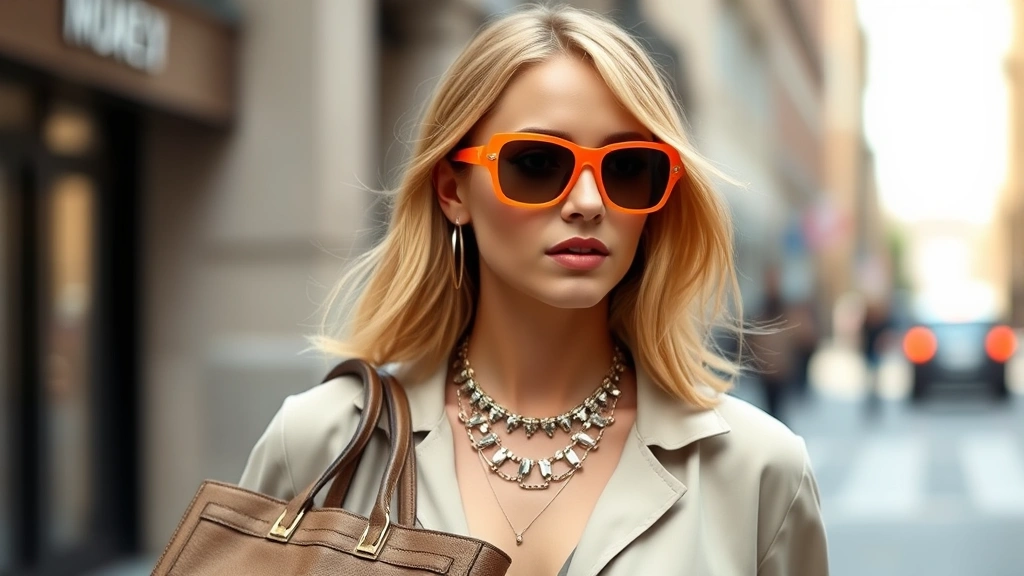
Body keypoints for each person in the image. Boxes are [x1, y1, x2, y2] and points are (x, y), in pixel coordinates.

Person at [239, 5, 829, 575]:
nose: (589, 203)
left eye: (626, 167)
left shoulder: (758, 471)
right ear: (453, 190)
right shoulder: (326, 442)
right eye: (538, 162)